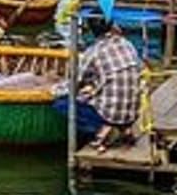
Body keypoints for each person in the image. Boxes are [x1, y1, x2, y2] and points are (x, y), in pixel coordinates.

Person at [57, 19, 144, 151]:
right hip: (131, 114)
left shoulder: (94, 51)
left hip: (110, 114)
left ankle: (103, 129)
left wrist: (53, 89)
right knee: (88, 95)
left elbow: (75, 83)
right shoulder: (127, 44)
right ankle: (124, 128)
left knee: (61, 103)